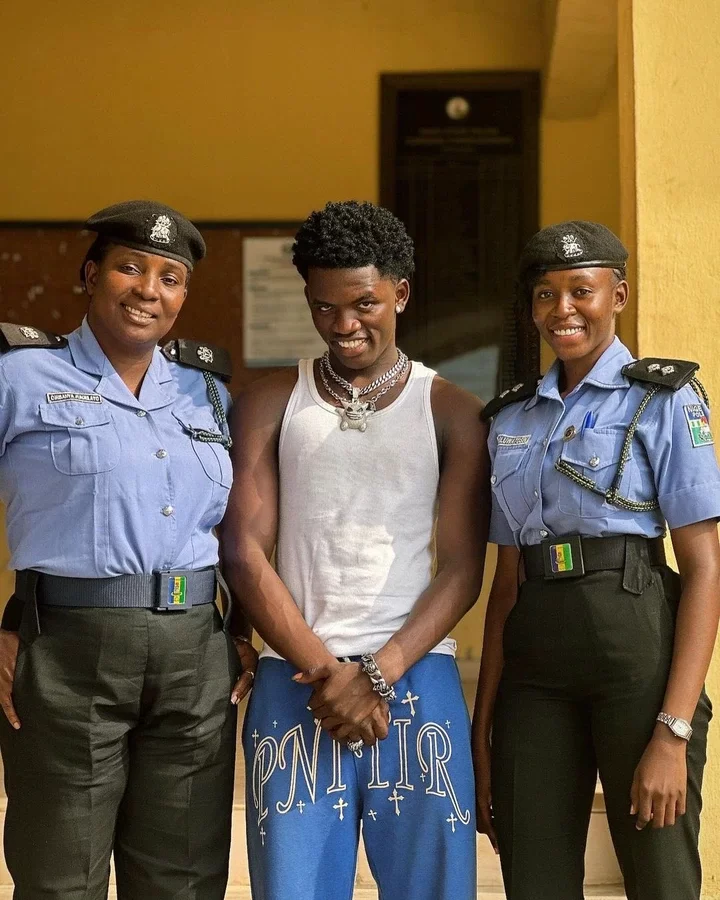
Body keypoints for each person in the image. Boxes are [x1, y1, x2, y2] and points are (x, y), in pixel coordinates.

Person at [220, 200, 489, 899]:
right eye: (324, 307)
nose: (344, 325)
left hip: (417, 678)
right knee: (293, 889)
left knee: (431, 887)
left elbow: (463, 568)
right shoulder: (272, 400)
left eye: (364, 303)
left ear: (399, 292)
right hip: (295, 679)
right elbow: (245, 548)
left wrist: (378, 672)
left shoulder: (452, 410)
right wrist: (329, 671)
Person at [0, 200, 257, 900]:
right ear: (92, 274)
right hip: (68, 650)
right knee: (61, 876)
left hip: (194, 655)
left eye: (171, 277)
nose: (150, 289)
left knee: (184, 878)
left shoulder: (207, 393)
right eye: (130, 268)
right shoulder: (20, 377)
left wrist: (239, 626)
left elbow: (234, 530)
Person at [472, 220, 720, 900]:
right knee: (534, 879)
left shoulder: (664, 399)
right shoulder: (510, 420)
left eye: (581, 291)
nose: (562, 310)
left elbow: (704, 568)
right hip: (536, 663)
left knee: (660, 877)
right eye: (545, 295)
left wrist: (672, 732)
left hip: (634, 638)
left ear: (619, 294)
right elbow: (506, 584)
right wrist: (481, 728)